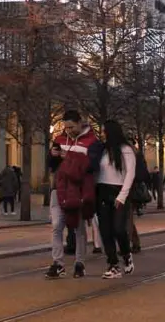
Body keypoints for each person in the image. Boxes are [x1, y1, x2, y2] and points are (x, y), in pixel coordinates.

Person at [45, 109, 98, 279]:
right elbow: (51, 164)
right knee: (57, 226)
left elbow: (92, 165)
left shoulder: (92, 141)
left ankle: (79, 263)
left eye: (71, 127)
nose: (69, 131)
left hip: (78, 189)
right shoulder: (59, 139)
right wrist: (52, 155)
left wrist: (70, 157)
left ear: (80, 123)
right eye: (66, 127)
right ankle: (58, 263)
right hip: (58, 188)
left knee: (79, 227)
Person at [92, 120, 136, 279]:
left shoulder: (126, 150)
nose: (102, 134)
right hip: (102, 191)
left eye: (104, 131)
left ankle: (126, 253)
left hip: (118, 191)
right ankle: (113, 264)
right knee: (105, 230)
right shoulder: (102, 150)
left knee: (118, 228)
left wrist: (122, 196)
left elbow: (130, 173)